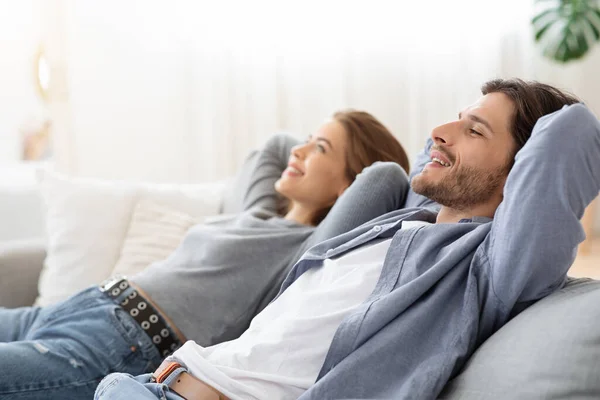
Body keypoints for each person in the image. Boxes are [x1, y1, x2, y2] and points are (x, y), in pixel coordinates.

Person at [95, 78, 600, 400]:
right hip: (145, 383)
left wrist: (529, 118)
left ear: (522, 173)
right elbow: (387, 175)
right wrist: (466, 135)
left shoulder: (485, 265)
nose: (441, 131)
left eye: (476, 131)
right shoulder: (402, 224)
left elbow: (572, 133)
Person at [0, 110, 412, 400]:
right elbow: (274, 147)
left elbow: (386, 177)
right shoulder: (258, 214)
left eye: (318, 148)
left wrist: (346, 151)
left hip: (120, 344)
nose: (297, 152)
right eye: (305, 142)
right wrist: (319, 144)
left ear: (347, 187)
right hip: (77, 308)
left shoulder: (307, 252)